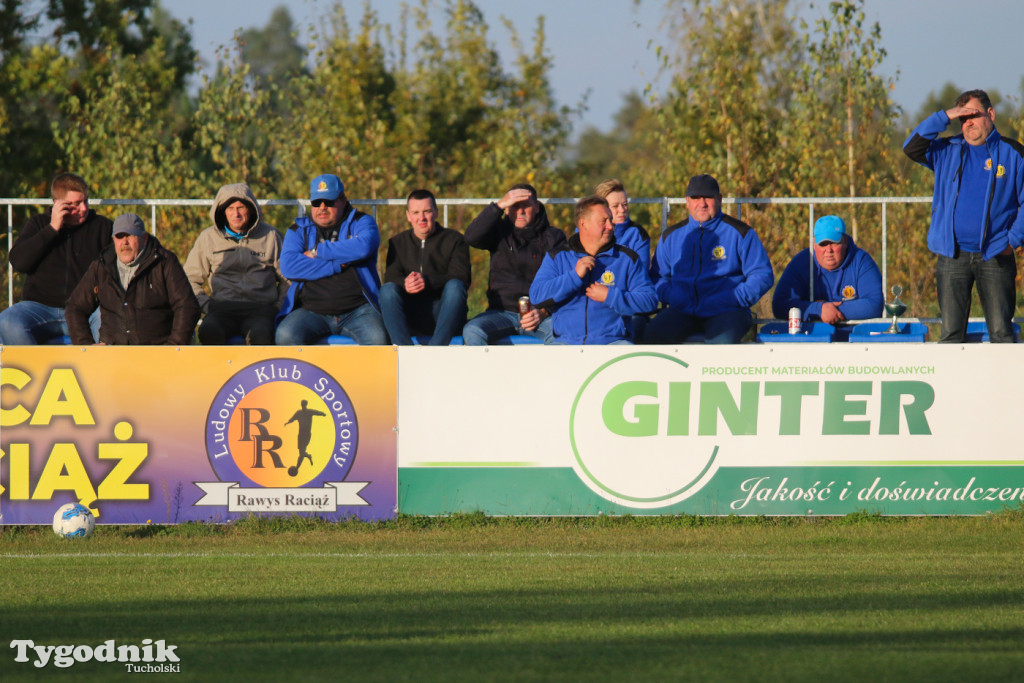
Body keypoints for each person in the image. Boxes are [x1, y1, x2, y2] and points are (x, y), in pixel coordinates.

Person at [903, 89, 1024, 343]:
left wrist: (1012, 240)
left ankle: (1002, 384)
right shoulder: (947, 149)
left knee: (1002, 334)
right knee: (950, 335)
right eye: (962, 117)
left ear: (990, 114)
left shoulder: (1014, 153)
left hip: (995, 255)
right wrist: (945, 116)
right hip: (952, 255)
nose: (968, 122)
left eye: (974, 115)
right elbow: (911, 147)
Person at [644, 174, 773, 344]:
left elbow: (762, 275)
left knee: (718, 346)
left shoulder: (741, 233)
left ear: (719, 199)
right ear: (687, 202)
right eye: (696, 198)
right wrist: (673, 296)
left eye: (708, 197)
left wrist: (734, 297)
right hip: (682, 310)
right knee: (651, 338)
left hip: (728, 311)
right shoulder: (671, 236)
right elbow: (657, 277)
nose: (702, 203)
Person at [275, 174, 387, 345]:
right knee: (285, 335)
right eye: (316, 202)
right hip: (311, 311)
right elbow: (289, 267)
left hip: (359, 311)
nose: (322, 207)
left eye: (329, 202)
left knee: (377, 339)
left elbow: (363, 247)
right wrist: (336, 264)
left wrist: (317, 251)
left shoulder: (363, 222)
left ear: (343, 200)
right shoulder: (298, 230)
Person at [0, 173, 111, 344]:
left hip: (86, 310)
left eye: (85, 201)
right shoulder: (39, 224)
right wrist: (52, 229)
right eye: (74, 204)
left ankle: (98, 370)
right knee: (8, 321)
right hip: (39, 308)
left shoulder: (102, 227)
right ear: (57, 205)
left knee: (110, 318)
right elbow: (19, 262)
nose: (83, 208)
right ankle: (35, 369)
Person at [529, 196, 657, 344]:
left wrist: (611, 296)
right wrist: (573, 277)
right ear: (583, 224)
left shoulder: (628, 259)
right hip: (566, 343)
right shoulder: (557, 257)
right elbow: (536, 295)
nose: (611, 226)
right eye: (604, 221)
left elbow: (650, 301)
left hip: (613, 343)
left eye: (610, 220)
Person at [65, 213, 200, 345]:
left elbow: (187, 306)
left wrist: (173, 346)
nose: (124, 242)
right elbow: (75, 307)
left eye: (130, 235)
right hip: (113, 354)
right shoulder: (101, 266)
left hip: (157, 353)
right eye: (119, 236)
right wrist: (86, 346)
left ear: (144, 238)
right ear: (113, 240)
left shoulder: (165, 262)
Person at [184, 183, 287, 345]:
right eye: (230, 208)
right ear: (222, 211)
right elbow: (189, 279)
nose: (235, 214)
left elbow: (287, 278)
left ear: (252, 209)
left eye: (240, 208)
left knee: (261, 335)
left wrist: (278, 307)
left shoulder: (271, 236)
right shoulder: (208, 238)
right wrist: (206, 305)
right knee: (207, 331)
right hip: (221, 309)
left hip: (261, 309)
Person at [462, 183, 566, 344]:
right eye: (514, 206)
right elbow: (471, 237)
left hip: (540, 315)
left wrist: (545, 311)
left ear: (537, 207)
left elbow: (564, 281)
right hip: (501, 313)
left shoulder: (554, 237)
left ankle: (549, 370)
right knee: (473, 330)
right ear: (508, 208)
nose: (520, 211)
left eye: (526, 206)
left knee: (563, 333)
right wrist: (499, 205)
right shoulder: (498, 232)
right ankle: (484, 370)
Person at [380, 189, 470, 345]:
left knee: (455, 286)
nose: (421, 218)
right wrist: (405, 283)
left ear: (436, 212)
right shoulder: (397, 242)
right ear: (408, 216)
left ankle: (435, 350)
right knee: (387, 290)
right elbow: (391, 276)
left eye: (427, 211)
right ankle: (404, 351)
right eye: (416, 213)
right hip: (410, 315)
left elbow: (462, 277)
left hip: (444, 313)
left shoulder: (455, 239)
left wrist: (427, 281)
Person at [772, 215, 883, 324]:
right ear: (814, 244)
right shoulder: (801, 263)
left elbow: (875, 304)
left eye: (834, 243)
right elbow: (779, 305)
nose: (828, 250)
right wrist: (818, 310)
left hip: (854, 338)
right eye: (823, 244)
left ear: (845, 241)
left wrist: (832, 311)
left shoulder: (861, 261)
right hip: (812, 339)